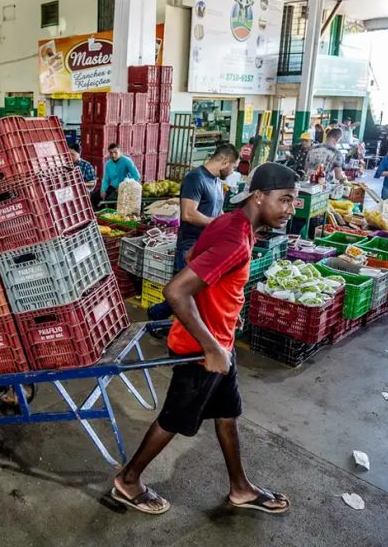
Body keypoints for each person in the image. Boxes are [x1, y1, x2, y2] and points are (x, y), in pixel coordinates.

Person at [112, 162, 297, 516]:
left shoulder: (231, 223)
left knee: (228, 414)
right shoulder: (234, 239)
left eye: (293, 202)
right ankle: (129, 481)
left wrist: (227, 308)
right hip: (201, 349)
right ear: (259, 196)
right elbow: (176, 290)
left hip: (219, 343)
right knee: (172, 420)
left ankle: (240, 488)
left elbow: (192, 259)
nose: (289, 209)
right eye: (284, 200)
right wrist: (211, 347)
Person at [147, 142, 240, 321]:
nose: (232, 172)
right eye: (233, 167)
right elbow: (188, 214)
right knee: (185, 291)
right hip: (190, 246)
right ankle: (160, 318)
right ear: (225, 161)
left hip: (207, 245)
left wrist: (228, 224)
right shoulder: (195, 178)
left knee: (191, 291)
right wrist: (217, 225)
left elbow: (217, 211)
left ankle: (159, 315)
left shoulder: (217, 183)